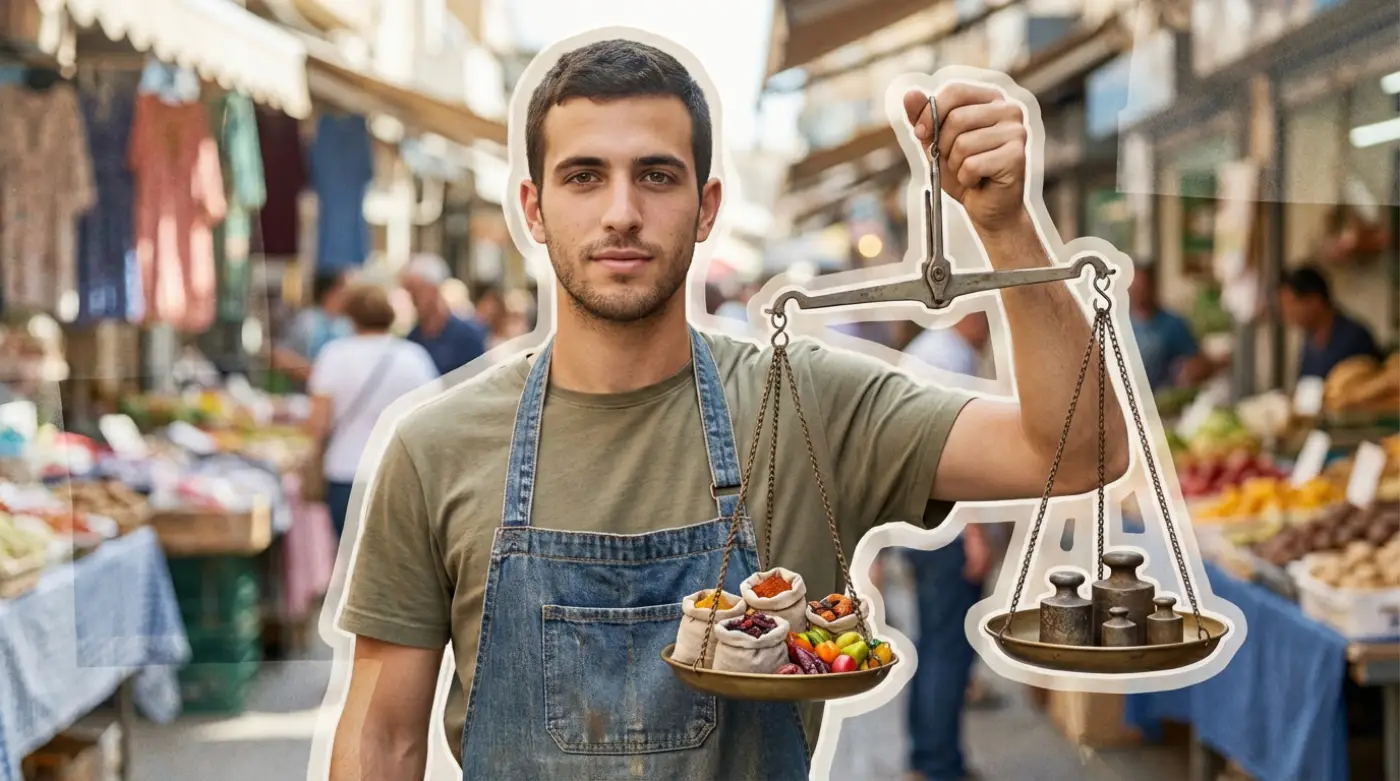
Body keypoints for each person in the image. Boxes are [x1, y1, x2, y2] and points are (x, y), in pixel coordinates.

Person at [329, 38, 1128, 781]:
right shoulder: (434, 447)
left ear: (706, 206)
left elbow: (1079, 450)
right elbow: (383, 736)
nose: (620, 213)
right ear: (533, 209)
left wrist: (1006, 225)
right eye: (584, 176)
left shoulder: (807, 405)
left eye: (656, 174)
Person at [899, 313, 998, 781]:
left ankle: (927, 757)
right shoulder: (948, 358)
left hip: (923, 526)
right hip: (946, 532)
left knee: (934, 642)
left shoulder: (929, 350)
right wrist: (973, 532)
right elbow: (959, 457)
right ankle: (939, 764)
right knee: (947, 648)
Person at [306, 284, 440, 538]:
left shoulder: (334, 355)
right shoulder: (414, 357)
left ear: (351, 317)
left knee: (348, 561)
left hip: (345, 470)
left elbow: (318, 422)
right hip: (400, 472)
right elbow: (433, 419)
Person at [1278, 264, 1379, 379]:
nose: (1287, 313)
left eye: (1291, 304)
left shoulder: (1355, 339)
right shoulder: (1309, 343)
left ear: (1314, 300)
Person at [400, 254, 489, 377]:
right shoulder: (412, 340)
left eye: (416, 290)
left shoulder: (467, 336)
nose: (412, 298)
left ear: (434, 289)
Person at [1127, 268, 1213, 392]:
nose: (1139, 292)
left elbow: (1198, 363)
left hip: (1162, 402)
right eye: (1135, 288)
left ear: (1153, 288)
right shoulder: (1118, 325)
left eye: (1143, 288)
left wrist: (1189, 373)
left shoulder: (1173, 324)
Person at [271, 271, 353, 385]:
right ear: (331, 292)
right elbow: (280, 355)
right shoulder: (306, 321)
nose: (348, 296)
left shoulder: (348, 324)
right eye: (344, 290)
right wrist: (313, 372)